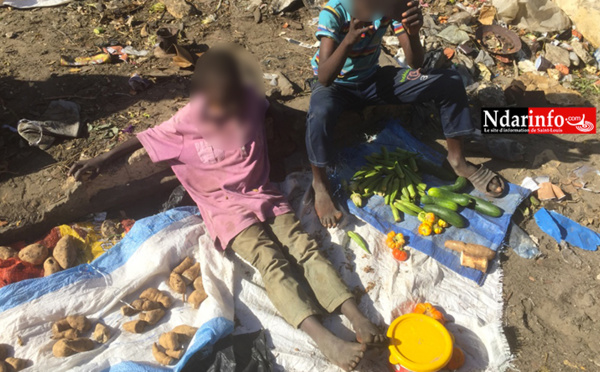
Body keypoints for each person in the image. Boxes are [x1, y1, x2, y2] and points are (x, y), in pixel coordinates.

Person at [69, 48, 385, 371]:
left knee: (303, 246)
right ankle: (325, 339)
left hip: (263, 194)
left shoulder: (251, 99)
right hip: (226, 211)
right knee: (270, 260)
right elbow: (140, 140)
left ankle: (355, 315)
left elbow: (272, 110)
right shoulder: (186, 122)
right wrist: (100, 160)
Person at [307, 0, 505, 228]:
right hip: (335, 85)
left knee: (449, 82)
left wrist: (412, 33)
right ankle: (320, 183)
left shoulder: (388, 7)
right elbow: (324, 76)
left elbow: (415, 63)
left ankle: (457, 160)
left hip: (372, 80)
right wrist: (349, 40)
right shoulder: (333, 12)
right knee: (319, 111)